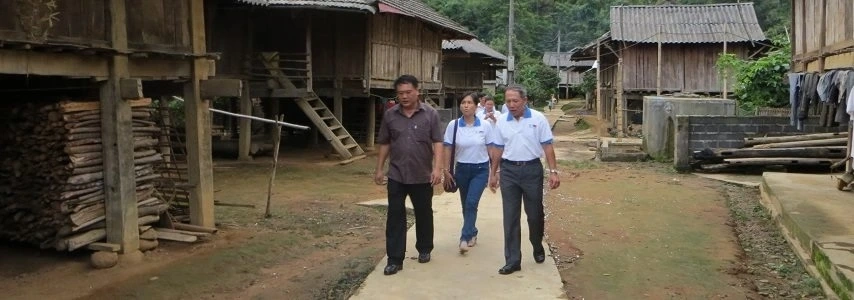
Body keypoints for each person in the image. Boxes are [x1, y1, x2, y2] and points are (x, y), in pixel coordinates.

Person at [374, 75, 444, 276]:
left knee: (423, 213)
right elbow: (385, 142)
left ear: (417, 91)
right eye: (400, 93)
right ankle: (395, 259)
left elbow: (437, 142)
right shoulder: (390, 115)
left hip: (422, 175)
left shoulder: (430, 114)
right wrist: (379, 168)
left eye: (408, 92)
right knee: (395, 216)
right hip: (396, 174)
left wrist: (437, 169)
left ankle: (424, 248)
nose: (404, 97)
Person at [488, 84, 561, 275]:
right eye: (508, 101)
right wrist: (493, 173)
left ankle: (537, 244)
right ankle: (513, 260)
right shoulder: (502, 121)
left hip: (532, 170)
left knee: (534, 214)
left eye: (515, 101)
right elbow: (497, 149)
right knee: (510, 217)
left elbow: (547, 147)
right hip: (509, 171)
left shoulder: (538, 119)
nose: (511, 104)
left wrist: (553, 171)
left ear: (525, 101)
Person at [443, 93, 497, 254]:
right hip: (461, 170)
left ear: (475, 106)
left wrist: (494, 172)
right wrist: (446, 170)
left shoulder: (485, 126)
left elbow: (491, 149)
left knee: (472, 202)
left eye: (469, 103)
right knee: (465, 204)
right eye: (463, 103)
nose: (466, 105)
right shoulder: (454, 125)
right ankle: (472, 231)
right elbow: (447, 147)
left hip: (480, 170)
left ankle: (464, 238)